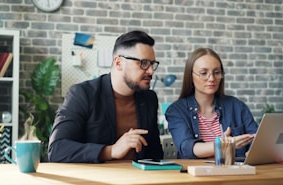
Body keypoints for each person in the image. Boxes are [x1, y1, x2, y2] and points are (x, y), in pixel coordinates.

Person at [48, 30, 164, 163]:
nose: (150, 71)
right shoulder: (83, 94)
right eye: (143, 63)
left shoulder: (149, 98)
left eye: (152, 64)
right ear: (119, 63)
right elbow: (57, 149)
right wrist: (111, 151)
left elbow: (155, 153)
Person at [165, 48, 258, 159]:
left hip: (234, 174)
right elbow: (187, 148)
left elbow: (257, 138)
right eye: (204, 73)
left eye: (217, 72)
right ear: (191, 76)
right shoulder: (177, 110)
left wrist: (252, 153)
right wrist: (222, 145)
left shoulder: (236, 106)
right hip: (195, 174)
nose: (212, 78)